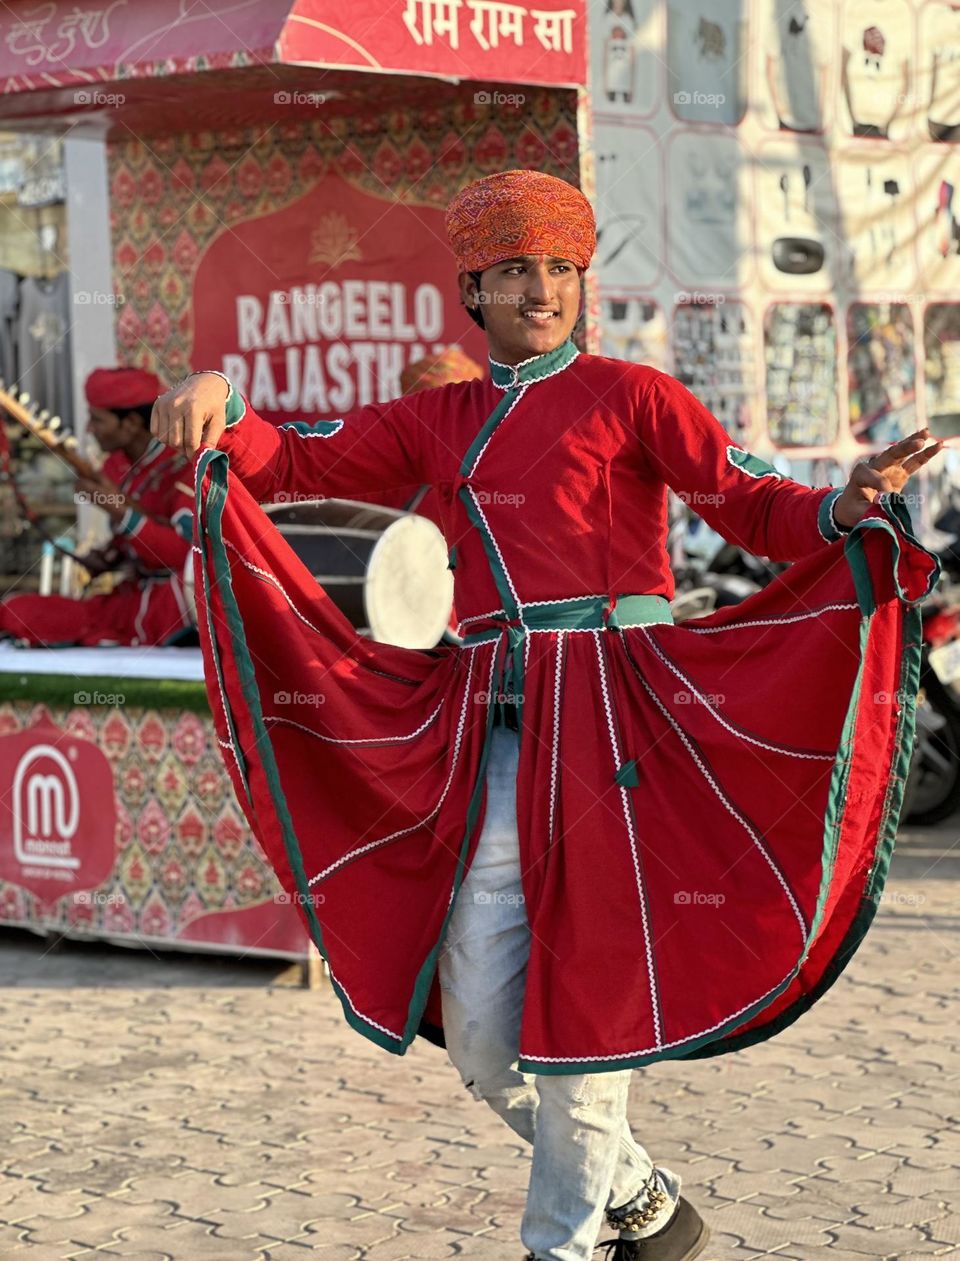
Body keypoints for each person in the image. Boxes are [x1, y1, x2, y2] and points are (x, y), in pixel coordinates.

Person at [151, 170, 943, 1261]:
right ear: (472, 290)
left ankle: (560, 1244)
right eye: (516, 270)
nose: (543, 289)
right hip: (490, 738)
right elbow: (297, 459)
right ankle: (646, 1202)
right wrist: (222, 403)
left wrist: (838, 506)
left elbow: (750, 501)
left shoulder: (634, 396)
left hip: (621, 733)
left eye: (561, 269)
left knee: (587, 1017)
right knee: (481, 1037)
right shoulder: (439, 417)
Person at [0, 367, 194, 647]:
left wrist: (116, 507)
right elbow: (132, 547)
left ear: (129, 423)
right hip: (129, 597)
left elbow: (183, 556)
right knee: (16, 610)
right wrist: (107, 558)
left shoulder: (183, 468)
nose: (90, 429)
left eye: (97, 420)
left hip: (176, 603)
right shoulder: (115, 466)